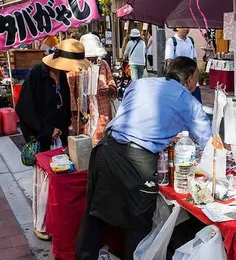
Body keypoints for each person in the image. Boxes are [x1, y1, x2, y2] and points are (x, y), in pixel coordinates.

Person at [75, 57, 212, 260]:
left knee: (94, 215)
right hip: (136, 160)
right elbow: (207, 144)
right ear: (190, 79)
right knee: (137, 225)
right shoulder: (188, 101)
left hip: (106, 149)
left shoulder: (140, 83)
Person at [16, 39, 90, 241]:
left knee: (59, 182)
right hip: (43, 137)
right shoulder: (37, 74)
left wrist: (67, 127)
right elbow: (24, 108)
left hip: (60, 138)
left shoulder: (63, 75)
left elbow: (64, 104)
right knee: (44, 182)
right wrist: (47, 130)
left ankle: (56, 220)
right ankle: (41, 223)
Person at [67, 33, 117, 145]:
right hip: (84, 112)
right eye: (90, 56)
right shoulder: (75, 67)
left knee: (103, 141)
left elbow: (111, 82)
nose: (93, 58)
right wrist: (74, 113)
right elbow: (70, 91)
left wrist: (109, 89)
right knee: (85, 142)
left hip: (103, 111)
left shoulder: (103, 64)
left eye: (95, 56)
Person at [164, 28, 202, 103]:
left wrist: (197, 75)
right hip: (179, 79)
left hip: (192, 77)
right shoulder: (171, 41)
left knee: (196, 102)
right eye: (183, 27)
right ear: (177, 28)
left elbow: (194, 58)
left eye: (188, 27)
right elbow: (169, 60)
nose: (186, 29)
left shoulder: (190, 40)